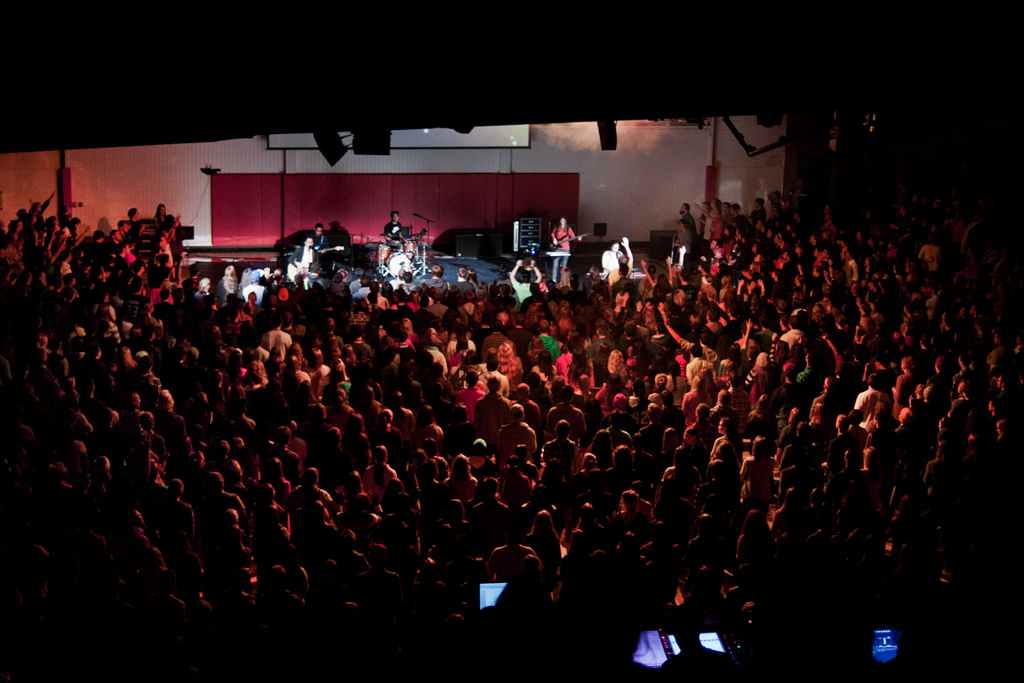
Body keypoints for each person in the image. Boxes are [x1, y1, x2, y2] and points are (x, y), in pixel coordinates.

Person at [549, 216, 576, 281]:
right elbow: (552, 234)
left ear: (565, 221)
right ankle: (554, 279)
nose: (562, 222)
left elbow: (574, 238)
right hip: (557, 249)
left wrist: (579, 239)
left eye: (563, 221)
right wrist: (554, 239)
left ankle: (563, 280)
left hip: (566, 249)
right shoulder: (556, 228)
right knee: (555, 265)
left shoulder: (568, 229)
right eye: (561, 221)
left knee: (564, 266)